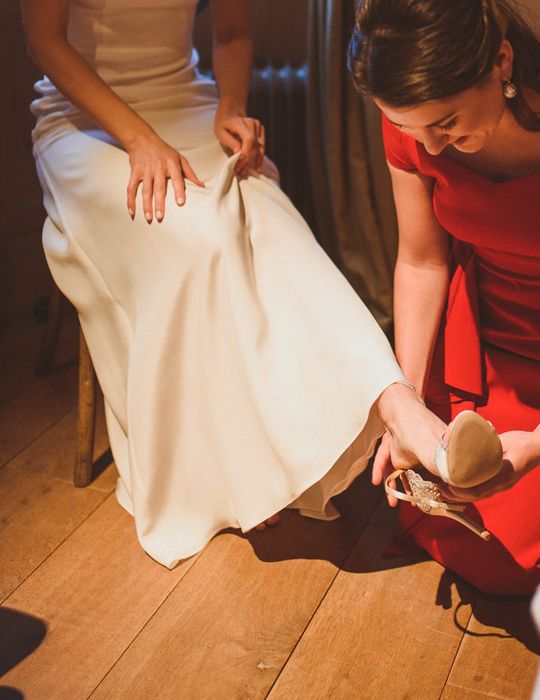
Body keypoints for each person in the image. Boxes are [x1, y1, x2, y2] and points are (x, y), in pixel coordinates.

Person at [21, 0, 474, 569]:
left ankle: (398, 408)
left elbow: (232, 34)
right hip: (87, 123)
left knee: (274, 223)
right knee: (201, 239)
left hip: (188, 101)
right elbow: (45, 43)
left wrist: (229, 110)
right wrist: (139, 141)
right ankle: (241, 468)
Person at [349, 0, 540, 594]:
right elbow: (421, 260)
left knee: (514, 567)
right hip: (478, 331)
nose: (433, 149)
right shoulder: (414, 115)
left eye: (446, 123)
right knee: (431, 506)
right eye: (413, 131)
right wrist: (409, 407)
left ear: (500, 60)